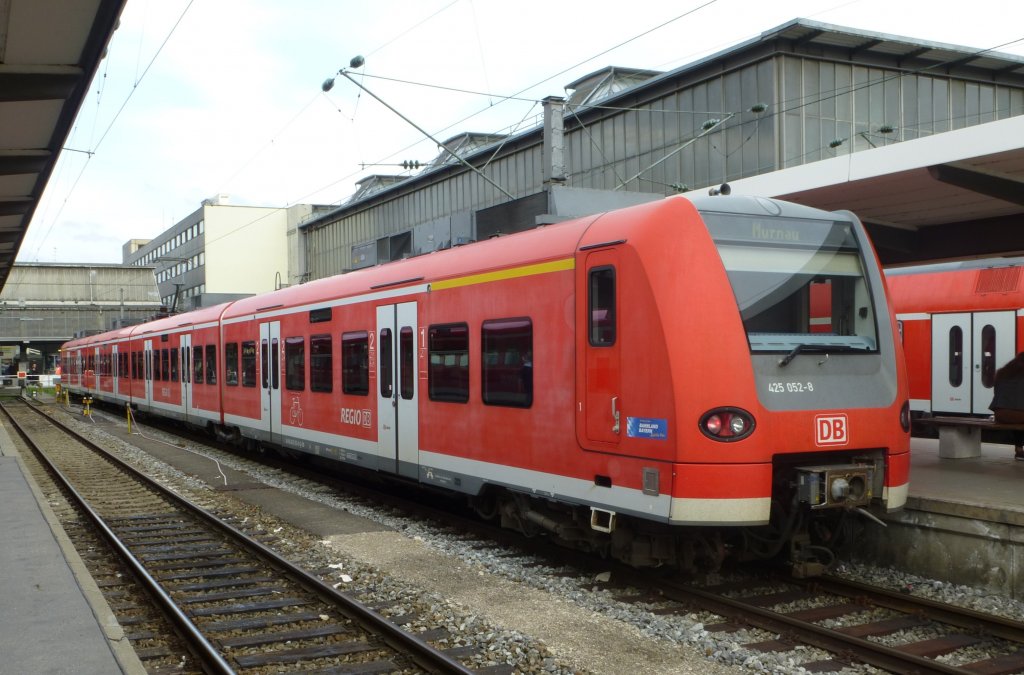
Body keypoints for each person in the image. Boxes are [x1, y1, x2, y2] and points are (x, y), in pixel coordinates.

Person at [989, 351, 1024, 460]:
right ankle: (1019, 450)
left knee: (1017, 415)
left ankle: (1019, 450)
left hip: (1000, 414)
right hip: (1019, 415)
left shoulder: (1002, 372)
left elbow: (996, 393)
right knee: (1019, 414)